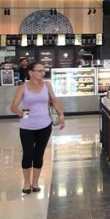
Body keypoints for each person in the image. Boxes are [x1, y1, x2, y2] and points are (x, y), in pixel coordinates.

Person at [10, 61, 65, 194]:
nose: (43, 73)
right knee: (28, 154)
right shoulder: (23, 87)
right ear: (31, 73)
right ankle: (26, 183)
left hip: (44, 125)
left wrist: (61, 115)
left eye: (43, 70)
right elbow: (13, 107)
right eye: (39, 71)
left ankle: (35, 182)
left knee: (39, 154)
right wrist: (19, 112)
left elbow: (54, 100)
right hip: (27, 126)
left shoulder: (47, 85)